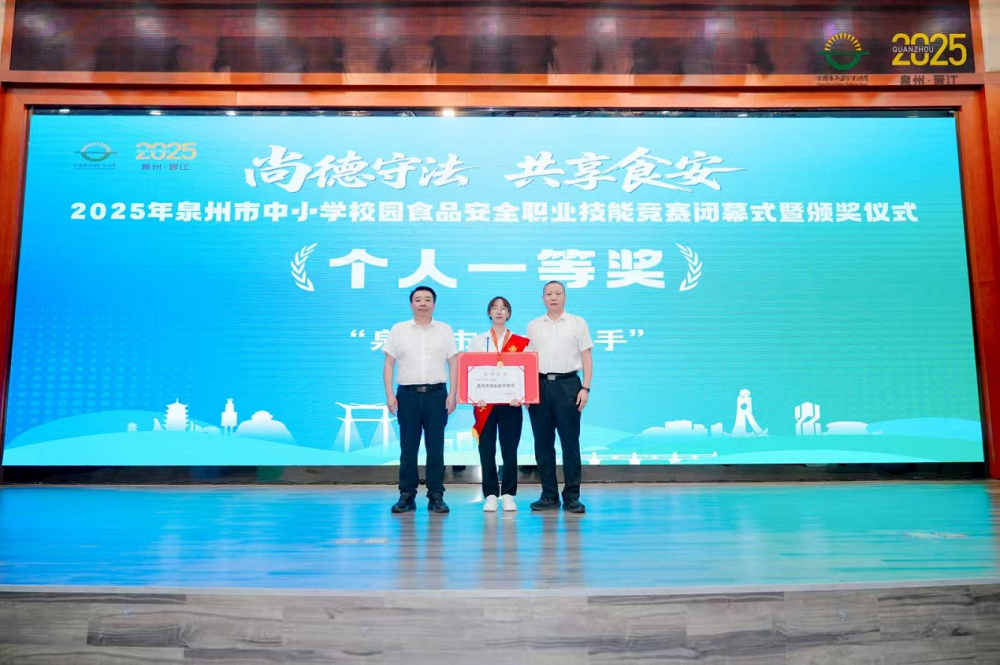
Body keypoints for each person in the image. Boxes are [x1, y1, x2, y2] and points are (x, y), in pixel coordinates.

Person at [383, 286, 458, 514]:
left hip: (437, 395)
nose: (422, 303)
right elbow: (389, 364)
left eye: (427, 300)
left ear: (434, 304)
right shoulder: (399, 329)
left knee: (435, 448)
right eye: (418, 300)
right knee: (408, 448)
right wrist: (389, 394)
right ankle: (407, 494)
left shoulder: (444, 330)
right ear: (411, 304)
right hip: (407, 395)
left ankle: (436, 495)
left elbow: (453, 363)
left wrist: (453, 394)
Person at [526, 281, 593, 514]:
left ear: (565, 296)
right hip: (540, 385)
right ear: (543, 298)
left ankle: (572, 497)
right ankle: (549, 496)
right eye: (549, 294)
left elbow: (587, 357)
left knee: (570, 444)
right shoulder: (534, 325)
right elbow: (527, 361)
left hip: (569, 385)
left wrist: (586, 388)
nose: (553, 297)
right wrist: (526, 392)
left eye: (557, 293)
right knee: (543, 444)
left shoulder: (577, 323)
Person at [469, 296, 530, 513]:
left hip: (511, 404)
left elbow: (526, 373)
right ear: (489, 313)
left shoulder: (521, 342)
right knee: (486, 450)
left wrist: (520, 395)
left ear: (509, 314)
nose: (499, 311)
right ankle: (491, 495)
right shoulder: (478, 341)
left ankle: (509, 494)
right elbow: (471, 371)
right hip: (484, 404)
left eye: (503, 308)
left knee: (509, 450)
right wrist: (475, 395)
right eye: (494, 308)